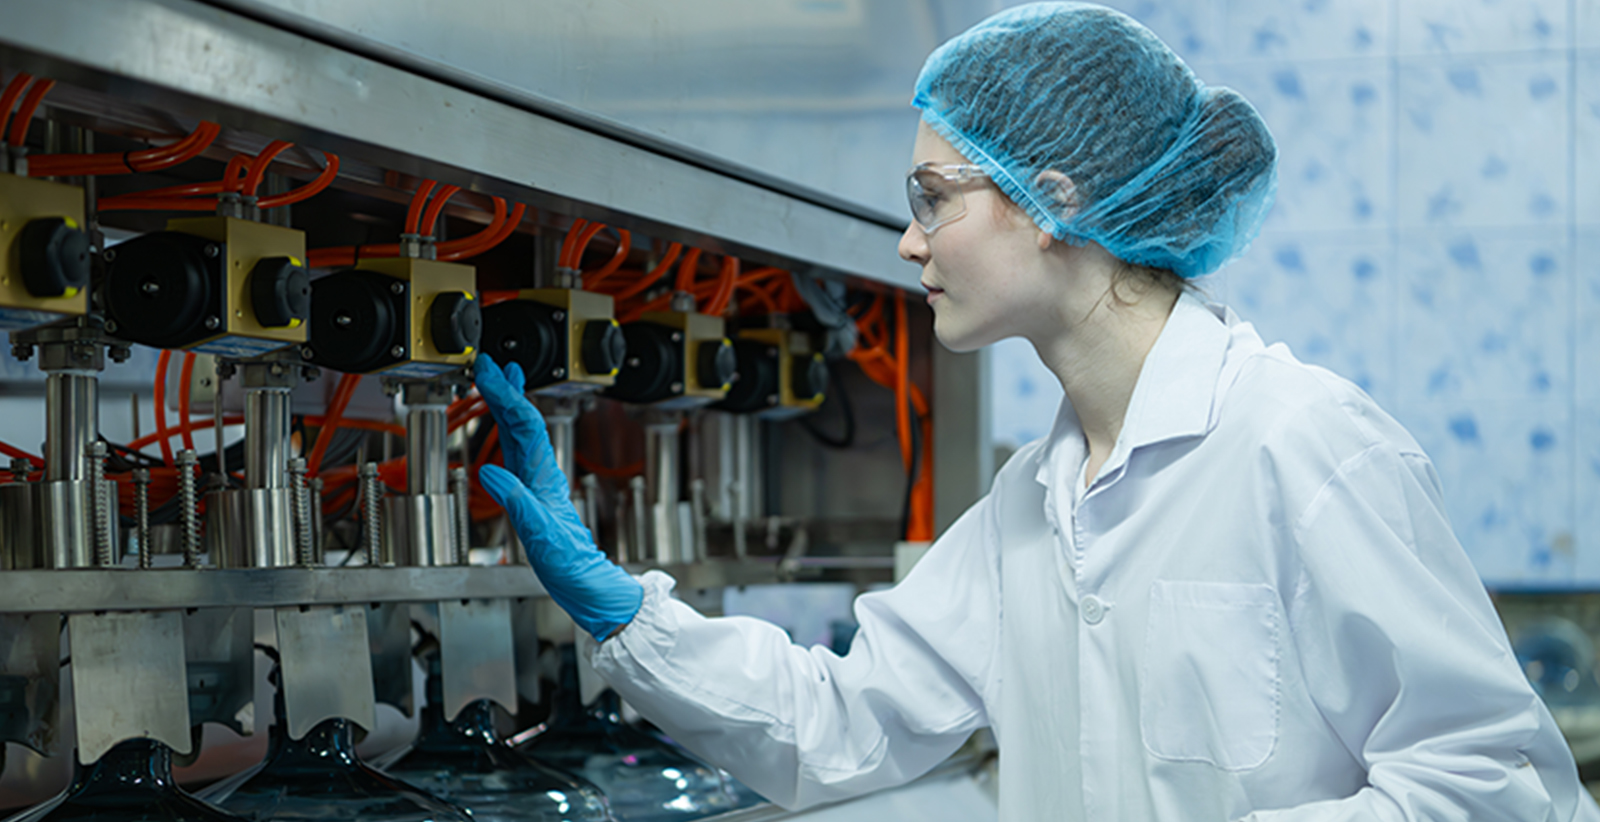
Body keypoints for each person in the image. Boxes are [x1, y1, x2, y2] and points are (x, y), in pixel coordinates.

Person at [474, 4, 1600, 820]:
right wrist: (626, 612)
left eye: (934, 198)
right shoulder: (1035, 500)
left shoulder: (1302, 443)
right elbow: (844, 725)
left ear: (1053, 202)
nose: (908, 242)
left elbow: (1491, 787)